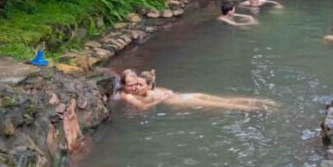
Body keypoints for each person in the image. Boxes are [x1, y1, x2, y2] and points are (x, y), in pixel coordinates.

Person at [115, 69, 275, 112]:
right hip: (183, 98)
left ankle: (261, 104)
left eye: (136, 83)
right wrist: (162, 97)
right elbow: (143, 105)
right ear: (123, 85)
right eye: (131, 85)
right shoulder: (128, 95)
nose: (134, 87)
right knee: (226, 105)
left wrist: (166, 92)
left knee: (226, 102)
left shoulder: (142, 89)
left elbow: (154, 90)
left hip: (183, 98)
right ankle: (259, 106)